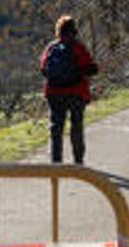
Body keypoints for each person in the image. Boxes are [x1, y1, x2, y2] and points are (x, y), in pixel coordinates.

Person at [40, 15, 98, 164]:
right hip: (76, 92)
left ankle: (56, 162)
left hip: (54, 93)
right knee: (76, 127)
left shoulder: (51, 47)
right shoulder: (78, 47)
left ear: (58, 30)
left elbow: (43, 69)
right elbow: (90, 68)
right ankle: (78, 161)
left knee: (56, 128)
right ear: (74, 30)